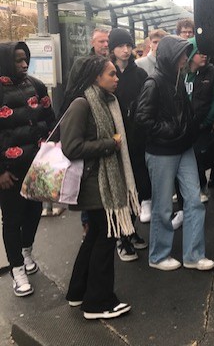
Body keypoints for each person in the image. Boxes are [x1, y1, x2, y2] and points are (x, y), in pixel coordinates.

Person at [60, 55, 139, 319]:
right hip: (94, 185)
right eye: (111, 75)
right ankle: (98, 303)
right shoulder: (82, 104)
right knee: (104, 241)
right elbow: (71, 147)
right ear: (96, 77)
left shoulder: (106, 101)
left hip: (100, 182)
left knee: (94, 237)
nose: (117, 79)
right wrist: (108, 144)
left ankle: (78, 292)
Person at [135, 35, 214, 271]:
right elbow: (142, 119)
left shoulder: (176, 79)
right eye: (181, 54)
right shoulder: (155, 83)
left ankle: (192, 255)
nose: (185, 57)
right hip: (164, 151)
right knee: (164, 206)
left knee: (194, 201)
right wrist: (174, 130)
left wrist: (180, 131)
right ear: (171, 56)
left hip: (179, 147)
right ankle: (159, 256)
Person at [0, 41, 56, 297]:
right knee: (12, 219)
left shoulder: (36, 85)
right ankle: (16, 268)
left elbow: (50, 119)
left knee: (34, 212)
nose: (24, 65)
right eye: (18, 60)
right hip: (9, 172)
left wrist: (52, 154)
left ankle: (26, 251)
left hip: (37, 166)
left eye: (26, 60)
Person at [109, 29, 151, 261]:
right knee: (120, 190)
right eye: (120, 45)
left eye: (128, 45)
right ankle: (121, 237)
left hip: (137, 140)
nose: (125, 50)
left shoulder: (140, 74)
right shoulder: (106, 72)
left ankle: (131, 229)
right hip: (114, 141)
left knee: (139, 187)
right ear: (112, 49)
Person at [65, 27, 111, 230]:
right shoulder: (82, 63)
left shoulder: (109, 62)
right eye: (101, 41)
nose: (105, 45)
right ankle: (87, 223)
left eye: (107, 41)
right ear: (92, 43)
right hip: (87, 124)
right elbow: (72, 91)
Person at [184, 37, 214, 202]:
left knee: (198, 156)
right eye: (199, 52)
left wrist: (206, 122)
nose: (204, 55)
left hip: (202, 125)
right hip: (183, 126)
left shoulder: (212, 72)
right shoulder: (182, 72)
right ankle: (184, 188)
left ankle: (200, 187)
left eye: (205, 52)